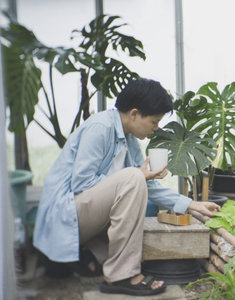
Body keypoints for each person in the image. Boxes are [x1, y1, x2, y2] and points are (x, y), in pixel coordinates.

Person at [33, 78, 220, 296]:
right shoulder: (100, 127)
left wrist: (193, 205)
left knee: (134, 179)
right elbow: (81, 183)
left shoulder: (128, 138)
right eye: (154, 121)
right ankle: (122, 275)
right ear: (133, 114)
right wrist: (135, 176)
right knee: (133, 176)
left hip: (83, 216)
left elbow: (144, 185)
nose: (156, 128)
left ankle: (92, 258)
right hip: (64, 216)